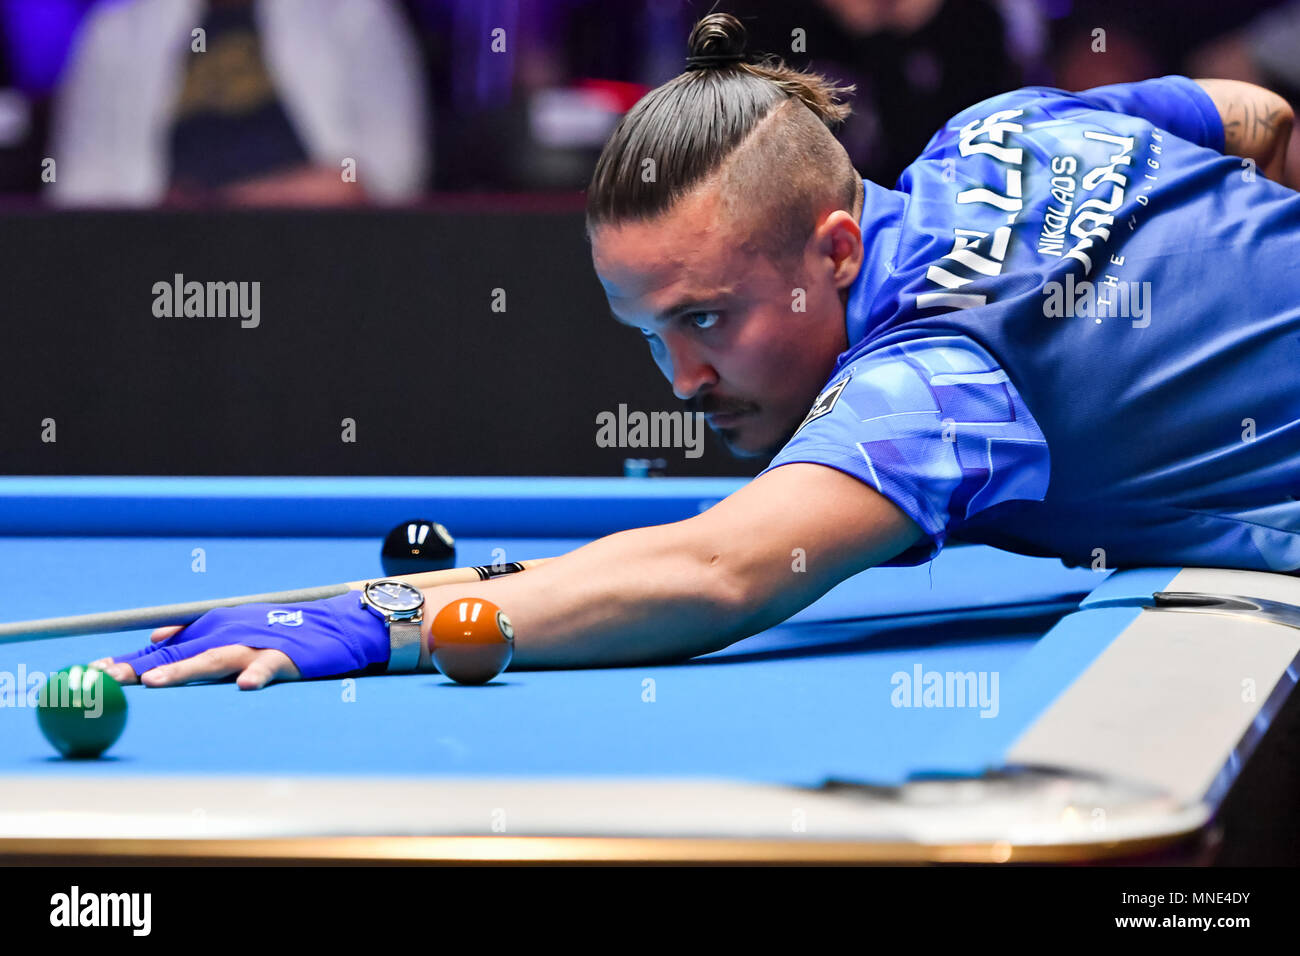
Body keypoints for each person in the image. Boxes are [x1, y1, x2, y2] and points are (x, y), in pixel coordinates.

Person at [94, 12, 1299, 690]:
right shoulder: (1007, 127)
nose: (678, 382)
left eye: (707, 317)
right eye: (649, 333)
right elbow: (1260, 120)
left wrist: (378, 615)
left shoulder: (935, 377)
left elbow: (717, 572)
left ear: (835, 251)